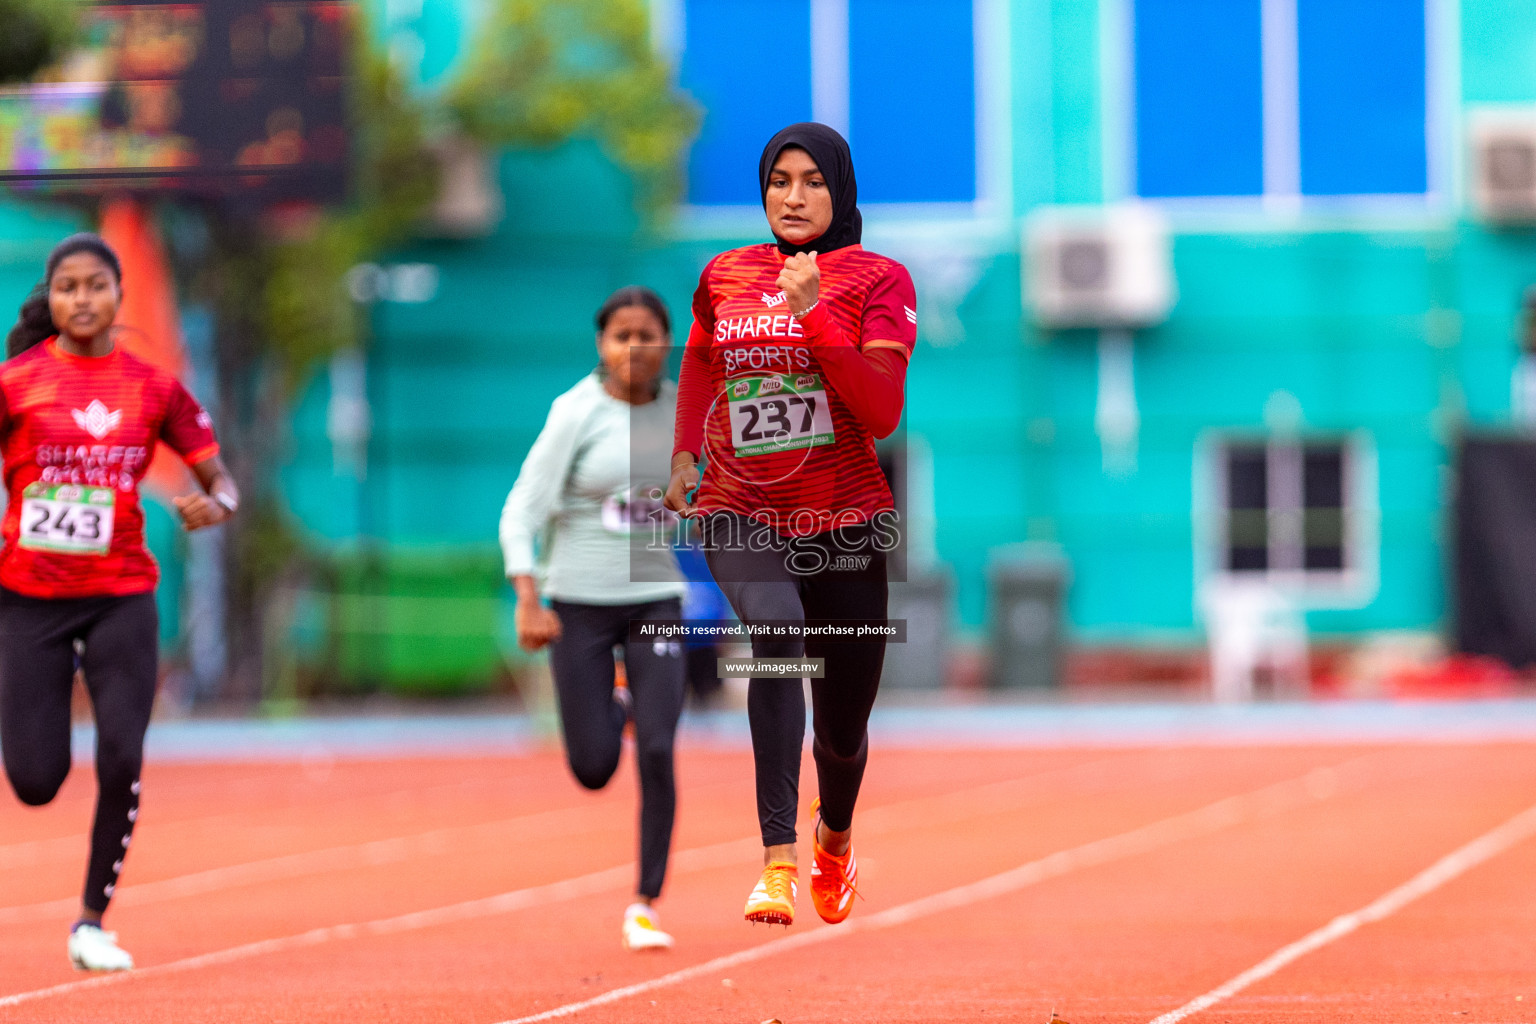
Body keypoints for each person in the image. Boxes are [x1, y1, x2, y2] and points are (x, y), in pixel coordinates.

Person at [664, 123, 917, 927]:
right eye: (779, 180)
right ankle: (776, 860)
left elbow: (880, 412)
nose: (794, 196)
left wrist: (813, 318)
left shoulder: (878, 278)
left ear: (839, 191)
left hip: (844, 522)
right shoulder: (725, 273)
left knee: (843, 731)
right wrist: (681, 456)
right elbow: (702, 358)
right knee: (773, 636)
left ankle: (833, 838)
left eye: (812, 181)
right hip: (739, 509)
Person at [0, 232, 238, 971]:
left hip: (121, 596)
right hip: (29, 597)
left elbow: (220, 479)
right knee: (37, 783)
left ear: (118, 294)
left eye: (95, 286)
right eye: (67, 287)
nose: (82, 300)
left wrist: (218, 504)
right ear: (53, 296)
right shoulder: (15, 382)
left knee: (120, 754)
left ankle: (91, 922)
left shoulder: (154, 387)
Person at [499, 286, 688, 951]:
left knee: (660, 747)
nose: (635, 348)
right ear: (602, 346)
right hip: (578, 604)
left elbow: (725, 484)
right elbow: (521, 511)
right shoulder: (575, 413)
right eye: (621, 336)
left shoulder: (687, 412)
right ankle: (619, 697)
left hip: (656, 599)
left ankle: (645, 900)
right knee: (593, 767)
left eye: (648, 335)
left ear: (668, 343)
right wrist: (528, 597)